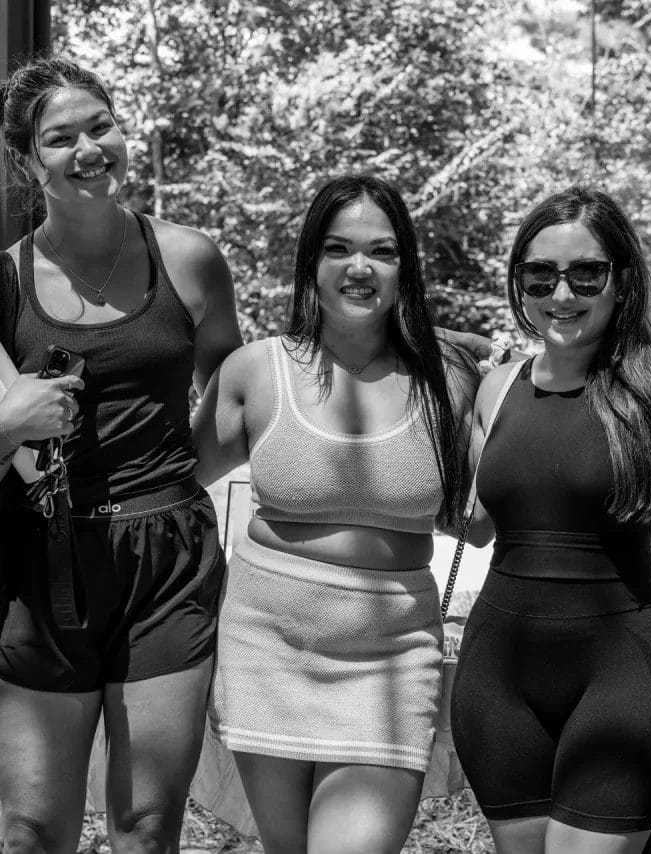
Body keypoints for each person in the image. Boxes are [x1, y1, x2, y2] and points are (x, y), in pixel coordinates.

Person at [0, 57, 241, 854]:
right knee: (32, 831)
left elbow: (235, 397)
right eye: (60, 139)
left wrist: (173, 486)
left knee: (146, 828)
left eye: (99, 126)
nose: (87, 150)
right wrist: (5, 428)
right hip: (43, 571)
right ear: (28, 164)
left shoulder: (191, 260)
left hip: (166, 567)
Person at [192, 173, 478, 854]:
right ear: (310, 263)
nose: (359, 267)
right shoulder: (256, 371)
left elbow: (481, 519)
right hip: (268, 647)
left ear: (404, 267)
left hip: (392, 655)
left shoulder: (450, 378)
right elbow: (171, 484)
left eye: (381, 251)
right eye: (338, 248)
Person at [449, 187, 651, 854]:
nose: (561, 293)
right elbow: (474, 526)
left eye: (586, 273)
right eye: (540, 275)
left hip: (623, 667)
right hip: (497, 675)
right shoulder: (495, 387)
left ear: (622, 281)